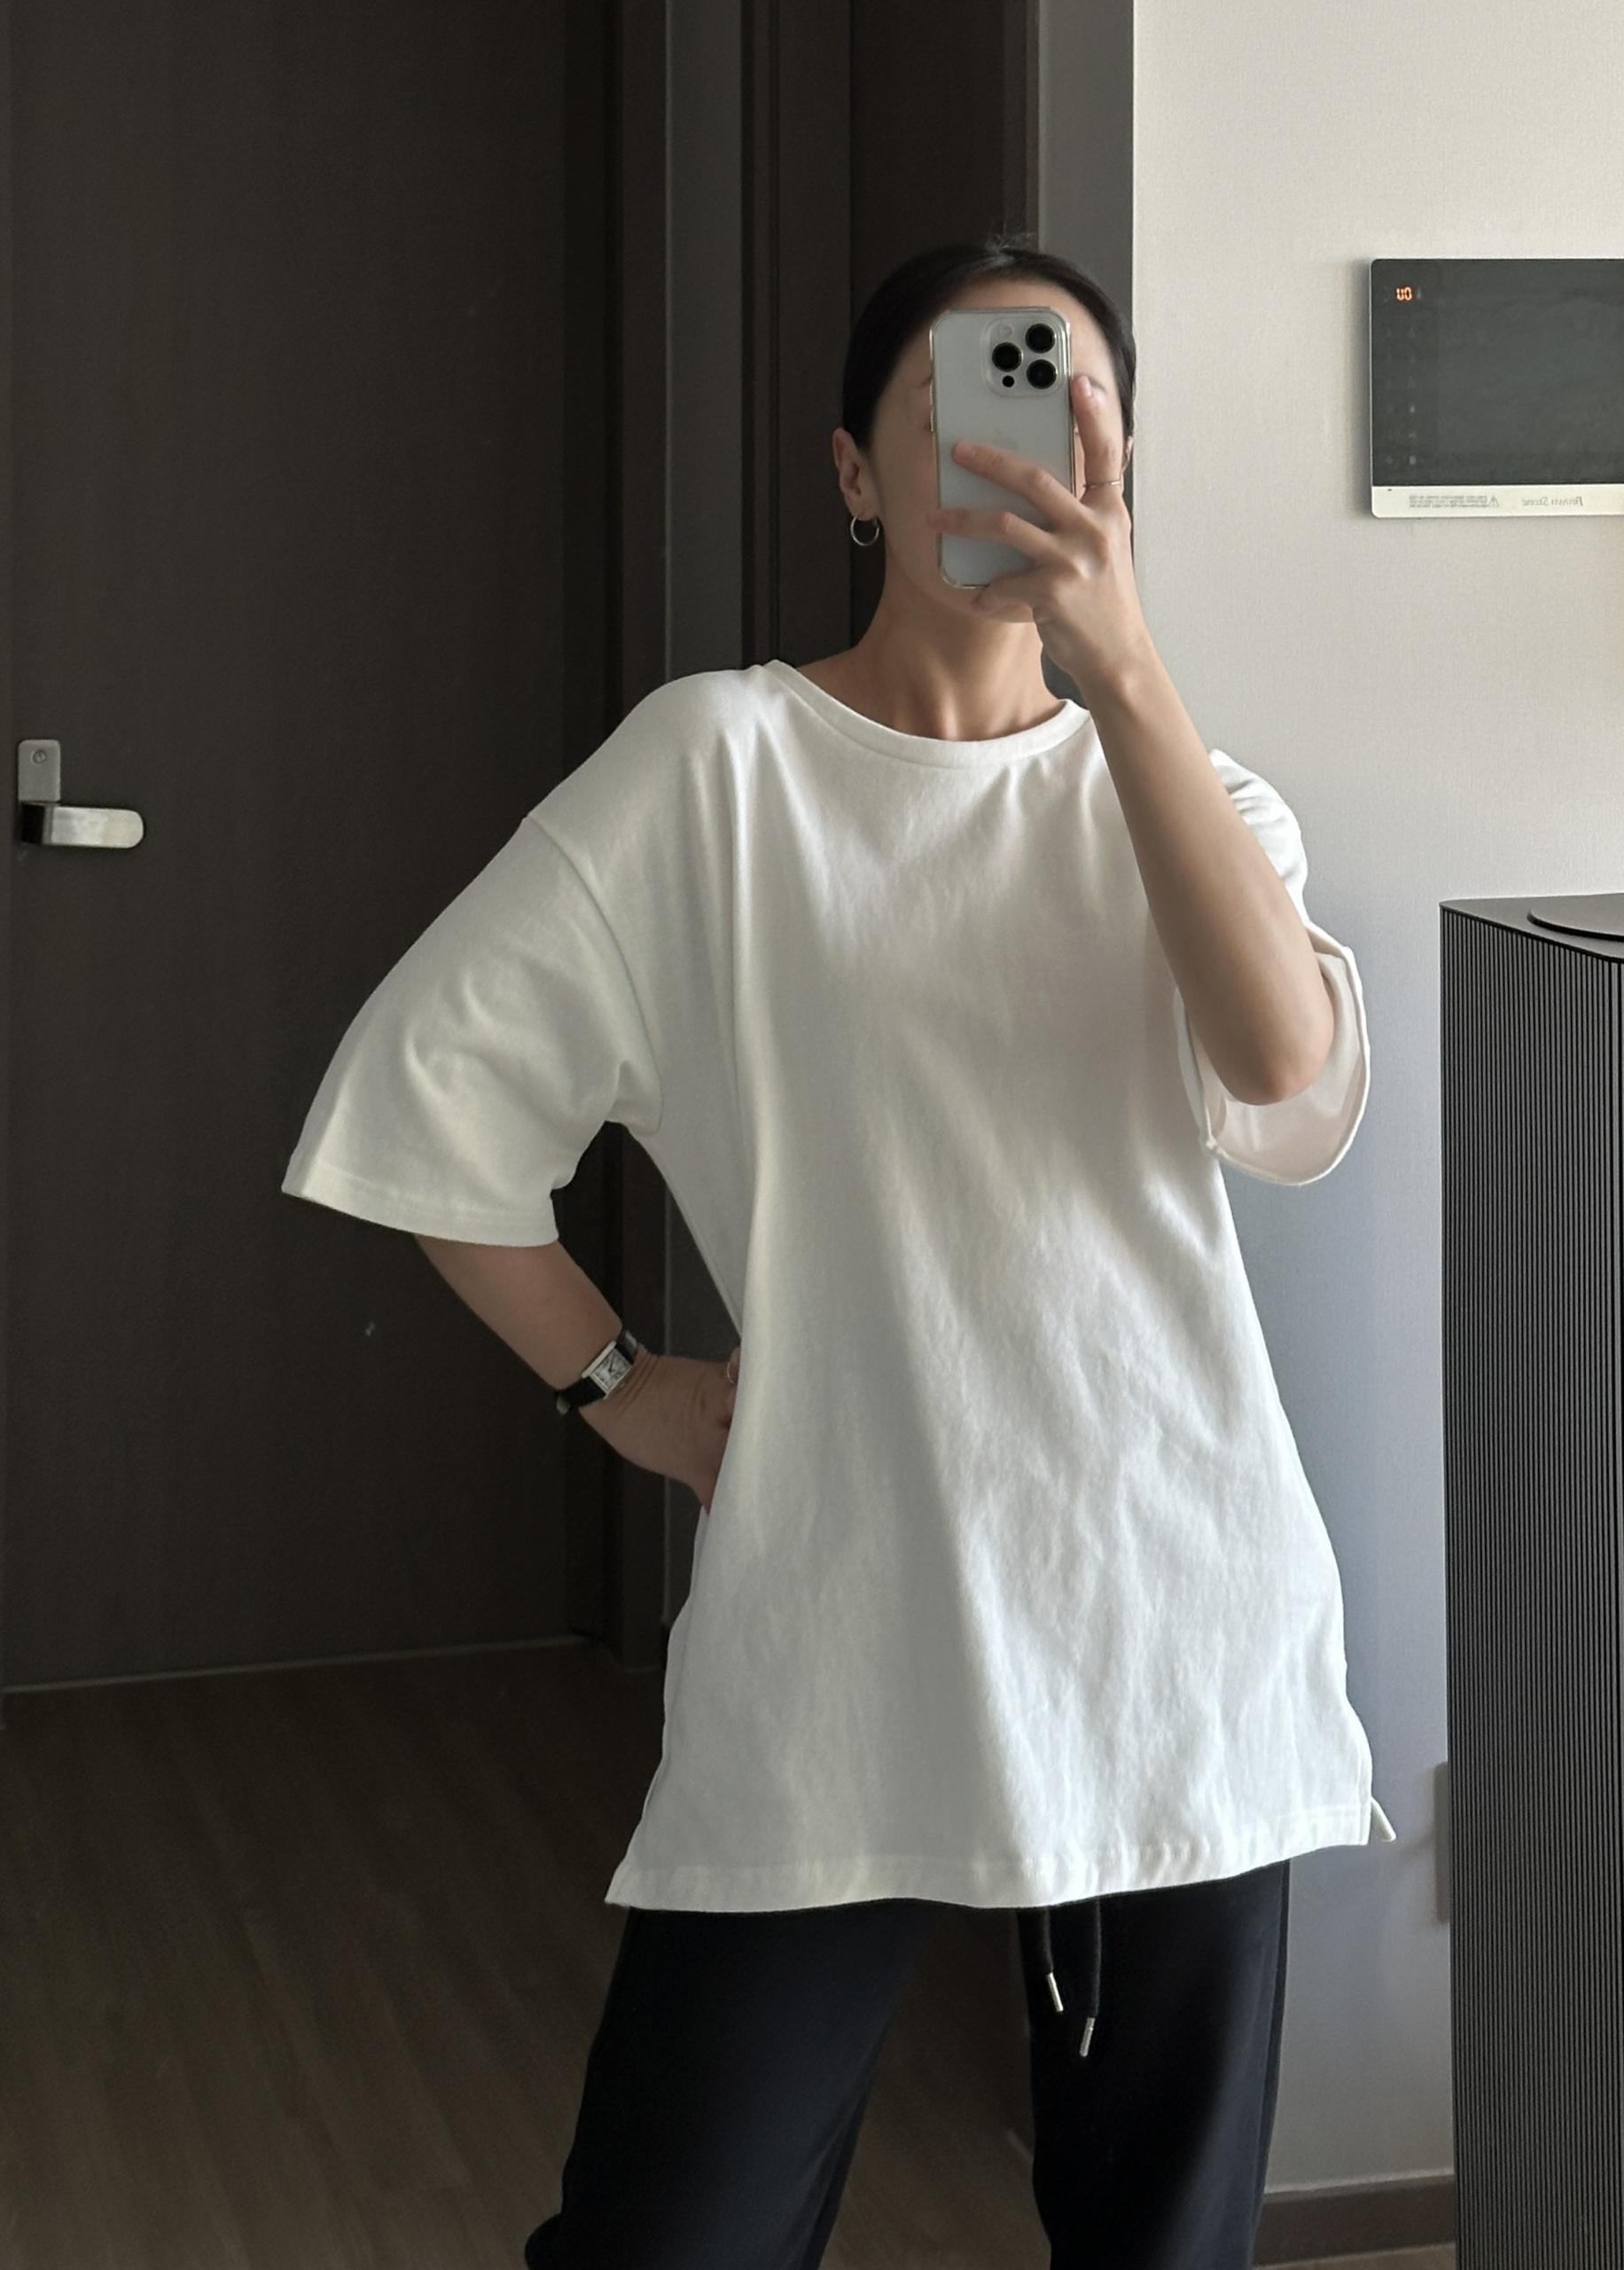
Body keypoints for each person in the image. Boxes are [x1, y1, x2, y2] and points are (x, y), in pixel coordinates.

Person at [281, 230, 1395, 2270]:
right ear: (860, 472)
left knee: (1161, 2243)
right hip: (839, 1615)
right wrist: (621, 1385)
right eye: (959, 409)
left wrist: (1126, 673)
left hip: (1171, 1611)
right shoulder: (716, 767)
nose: (1018, 453)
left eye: (1065, 407)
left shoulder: (1189, 790)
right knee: (669, 2230)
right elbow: (426, 1098)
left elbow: (1281, 1069)